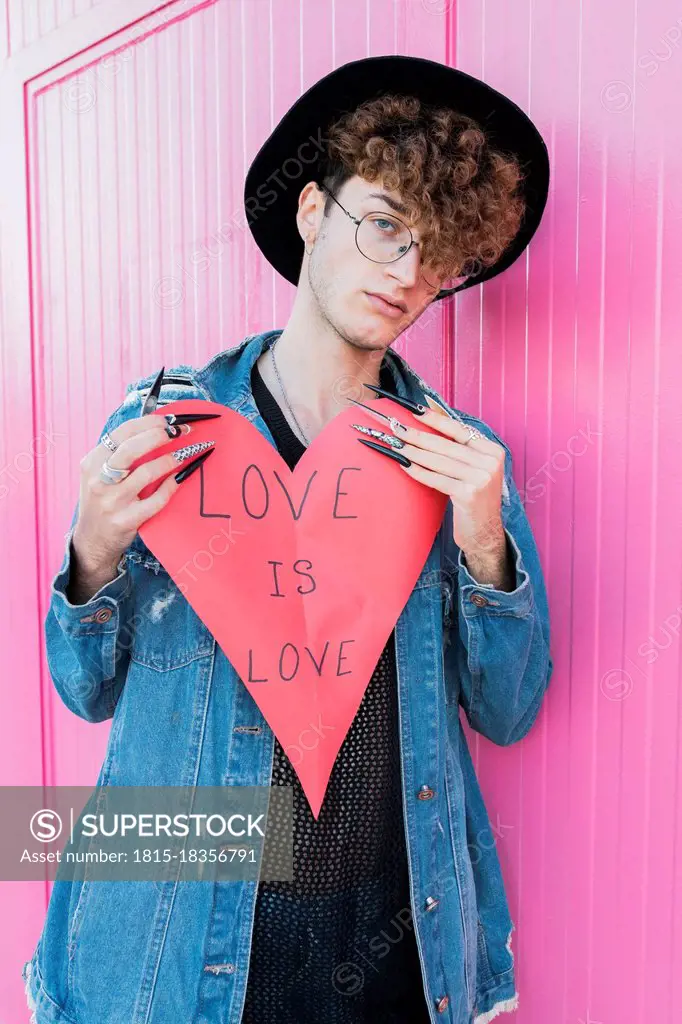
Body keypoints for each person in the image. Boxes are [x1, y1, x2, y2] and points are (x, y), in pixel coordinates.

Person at [23, 55, 553, 1024]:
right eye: (385, 224)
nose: (404, 273)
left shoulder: (456, 463)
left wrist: (485, 540)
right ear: (311, 210)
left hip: (394, 950)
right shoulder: (169, 432)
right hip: (181, 959)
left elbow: (509, 710)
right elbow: (83, 690)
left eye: (434, 253)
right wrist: (91, 555)